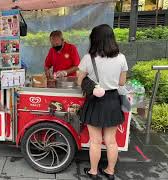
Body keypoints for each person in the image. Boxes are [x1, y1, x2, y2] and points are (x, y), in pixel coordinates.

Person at [77, 24, 128, 180]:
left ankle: (93, 171)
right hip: (113, 101)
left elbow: (79, 81)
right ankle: (110, 171)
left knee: (95, 141)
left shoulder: (88, 58)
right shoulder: (121, 58)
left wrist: (88, 81)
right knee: (111, 141)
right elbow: (121, 82)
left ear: (95, 39)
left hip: (95, 101)